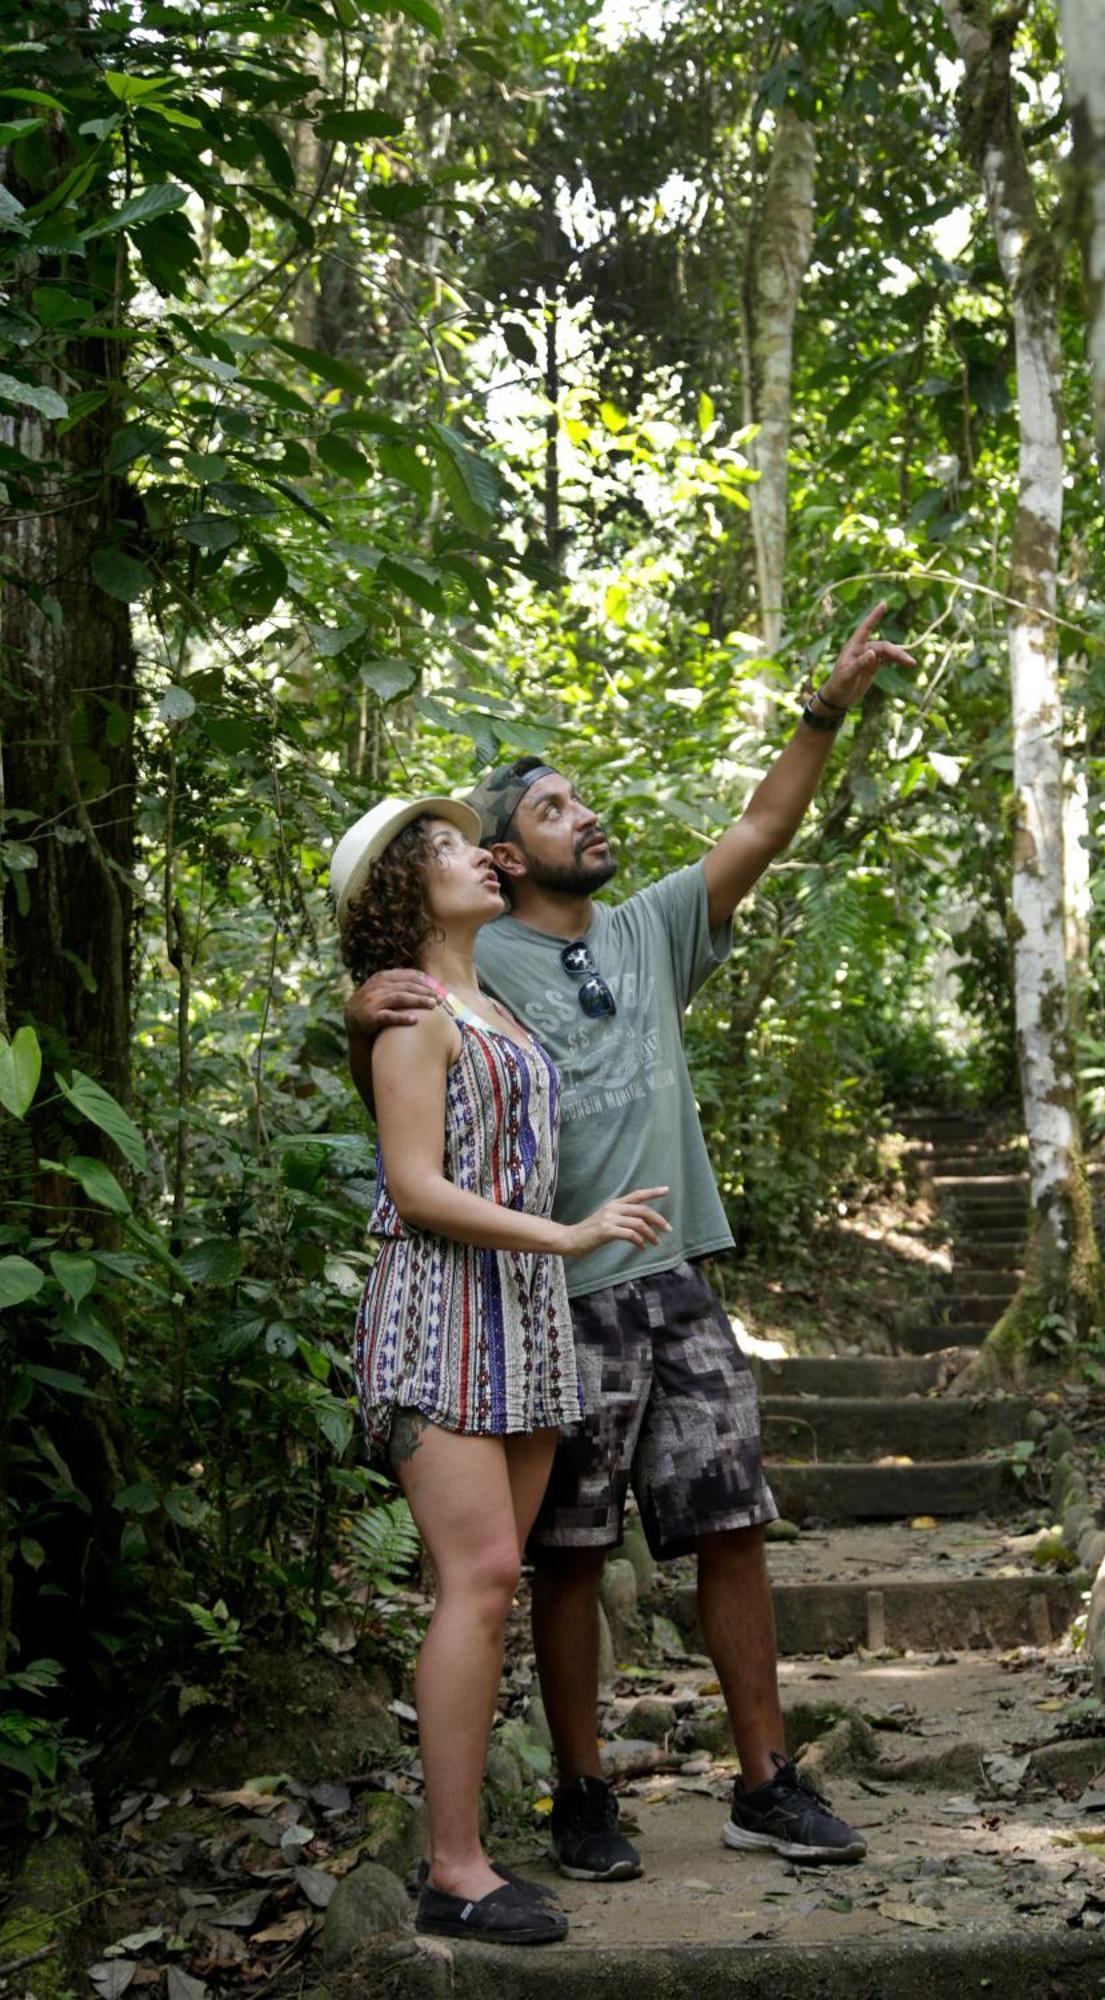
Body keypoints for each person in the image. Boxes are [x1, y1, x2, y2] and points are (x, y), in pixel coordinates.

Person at [346, 603, 916, 1883]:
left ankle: (765, 1780)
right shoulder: (473, 962)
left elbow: (762, 826)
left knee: (730, 1518)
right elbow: (403, 1014)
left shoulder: (650, 928)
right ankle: (583, 1790)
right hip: (553, 1295)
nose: (586, 817)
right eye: (554, 808)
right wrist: (352, 999)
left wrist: (825, 706)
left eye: (583, 800)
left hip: (675, 1283)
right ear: (497, 856)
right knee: (568, 1552)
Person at [329, 793, 670, 1945]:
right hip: (441, 1310)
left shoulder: (491, 1004)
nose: (476, 854)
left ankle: (464, 1852)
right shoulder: (411, 1010)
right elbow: (415, 1184)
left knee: (494, 1583)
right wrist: (569, 1238)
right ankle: (455, 1868)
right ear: (398, 890)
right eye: (441, 850)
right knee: (475, 1578)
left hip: (519, 1319)